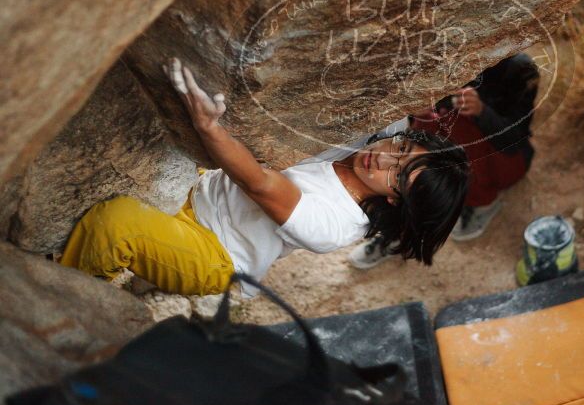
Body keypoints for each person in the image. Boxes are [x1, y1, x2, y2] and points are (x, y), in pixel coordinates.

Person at [60, 58, 469, 297]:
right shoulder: (377, 138)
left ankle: (67, 296)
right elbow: (392, 83)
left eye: (397, 177)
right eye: (399, 149)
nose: (382, 159)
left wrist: (208, 127)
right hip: (199, 190)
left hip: (213, 253)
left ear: (396, 200)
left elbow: (259, 183)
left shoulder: (335, 225)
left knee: (115, 224)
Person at [349, 53, 538, 269]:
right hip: (458, 140)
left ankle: (483, 203)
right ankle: (399, 229)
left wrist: (483, 112)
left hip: (505, 161)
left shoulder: (521, 69)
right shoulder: (455, 51)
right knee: (425, 130)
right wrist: (417, 110)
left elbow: (515, 141)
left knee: (454, 140)